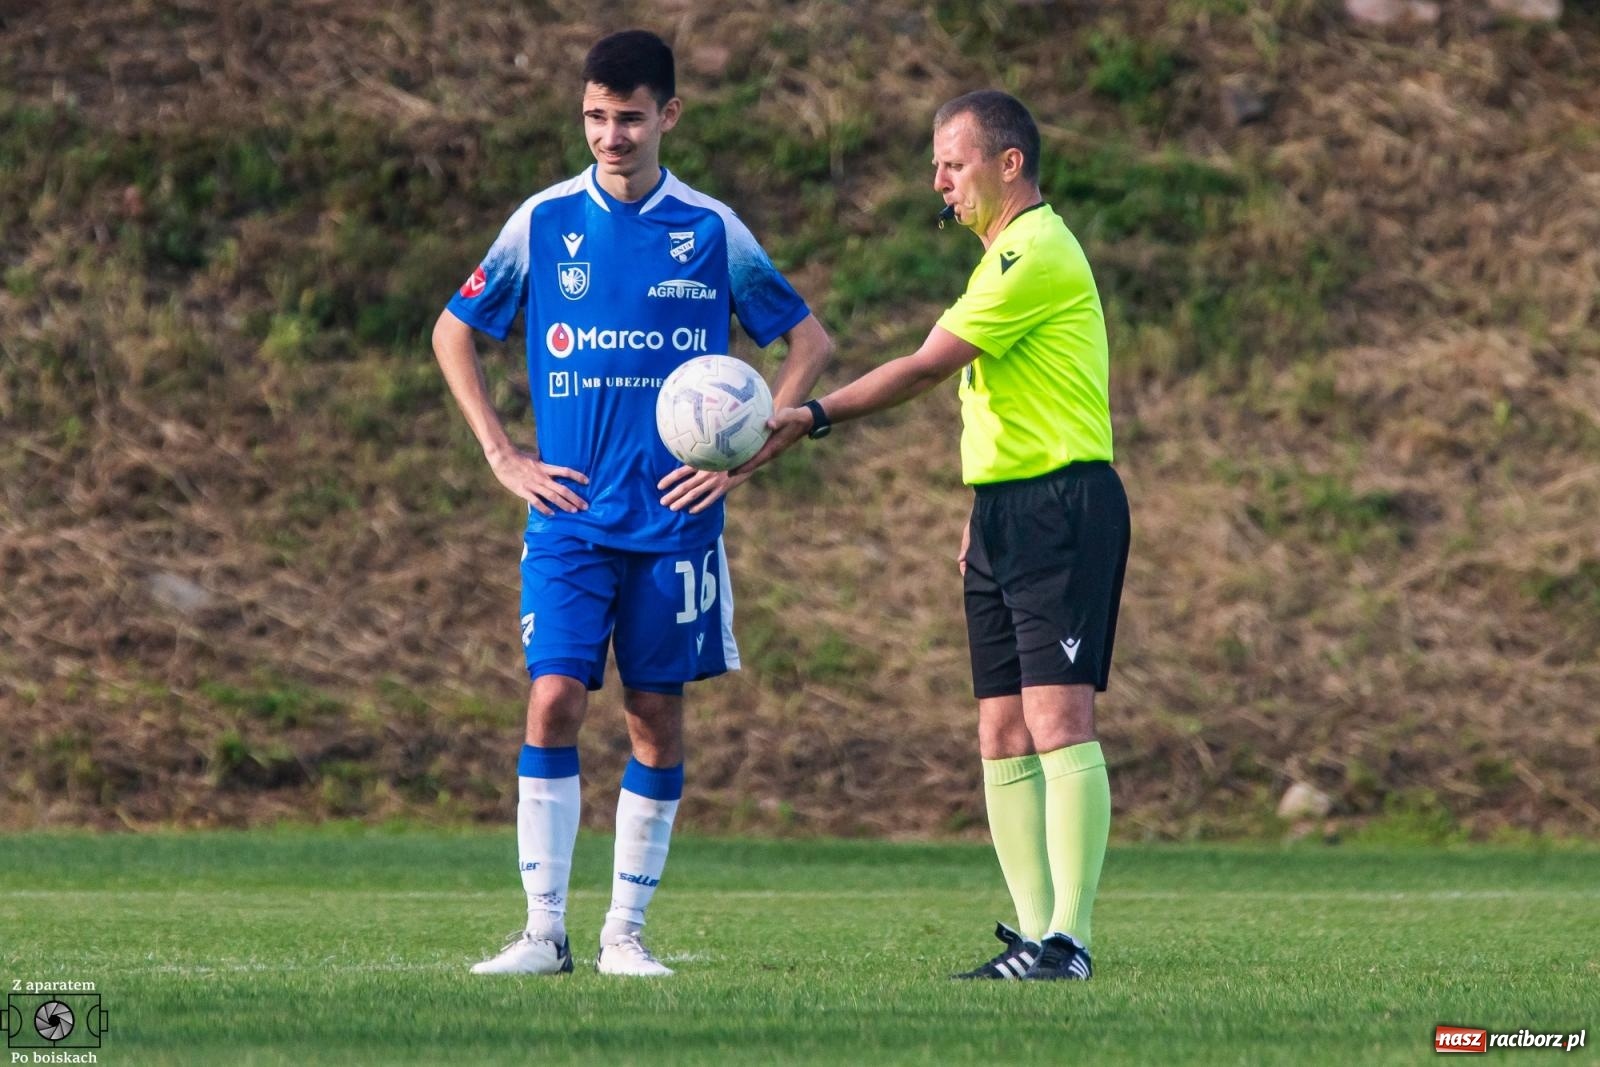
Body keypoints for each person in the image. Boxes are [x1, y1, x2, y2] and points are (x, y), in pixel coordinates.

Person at [432, 29, 831, 978]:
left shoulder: (710, 230)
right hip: (567, 516)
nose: (611, 135)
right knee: (553, 698)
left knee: (654, 716)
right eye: (596, 117)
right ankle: (542, 930)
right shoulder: (541, 222)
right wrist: (501, 454)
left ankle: (624, 935)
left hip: (675, 526)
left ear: (669, 117)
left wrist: (743, 458)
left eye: (630, 118)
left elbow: (809, 344)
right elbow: (454, 332)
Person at [738, 90, 1128, 981]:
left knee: (1056, 717)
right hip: (1004, 509)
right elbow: (1011, 398)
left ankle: (1071, 937)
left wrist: (813, 413)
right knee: (999, 729)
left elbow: (924, 365)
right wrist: (980, 506)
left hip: (1060, 507)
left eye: (953, 164)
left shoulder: (1037, 251)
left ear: (1009, 165)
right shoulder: (998, 260)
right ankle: (1036, 938)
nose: (939, 182)